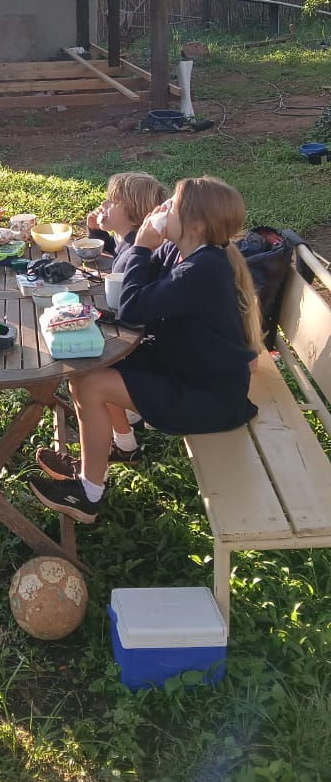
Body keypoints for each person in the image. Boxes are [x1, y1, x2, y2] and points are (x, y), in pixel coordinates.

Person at [31, 176, 263, 524]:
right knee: (87, 369)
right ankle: (119, 451)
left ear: (196, 225)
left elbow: (133, 307)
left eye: (171, 205)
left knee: (91, 383)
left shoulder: (203, 269)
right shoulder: (178, 250)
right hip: (186, 368)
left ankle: (87, 497)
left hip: (210, 397)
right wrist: (145, 246)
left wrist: (141, 245)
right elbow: (126, 279)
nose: (161, 209)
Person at [86, 170, 168, 462]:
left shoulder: (137, 249)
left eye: (111, 201)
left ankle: (126, 442)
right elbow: (113, 258)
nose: (103, 206)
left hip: (139, 344)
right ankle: (129, 417)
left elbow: (120, 279)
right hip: (139, 335)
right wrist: (97, 234)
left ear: (133, 213)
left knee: (88, 360)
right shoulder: (129, 243)